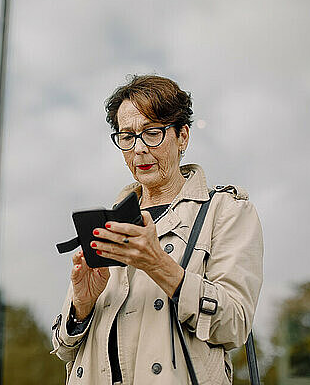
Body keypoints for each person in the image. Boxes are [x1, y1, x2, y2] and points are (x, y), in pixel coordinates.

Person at [51, 74, 263, 385]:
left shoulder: (226, 212)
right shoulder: (108, 224)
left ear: (183, 136)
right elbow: (64, 349)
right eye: (127, 136)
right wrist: (80, 307)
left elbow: (235, 325)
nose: (138, 149)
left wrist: (158, 265)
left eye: (152, 133)